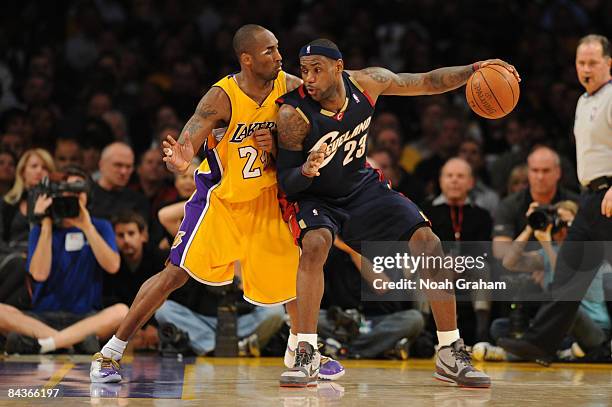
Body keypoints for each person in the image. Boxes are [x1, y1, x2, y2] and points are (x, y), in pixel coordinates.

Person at [90, 25, 344, 384]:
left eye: (277, 49)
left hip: (269, 199)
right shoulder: (222, 96)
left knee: (294, 278)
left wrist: (276, 141)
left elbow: (313, 131)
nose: (279, 56)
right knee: (173, 275)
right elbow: (193, 130)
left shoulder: (290, 86)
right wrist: (182, 155)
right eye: (269, 51)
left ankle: (303, 349)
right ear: (247, 58)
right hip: (222, 201)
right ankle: (111, 352)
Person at [276, 38, 519, 388]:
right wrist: (307, 170)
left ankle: (450, 351)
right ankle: (307, 351)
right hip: (315, 195)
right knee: (315, 244)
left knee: (428, 242)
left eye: (317, 70)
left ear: (338, 68)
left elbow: (427, 81)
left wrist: (474, 70)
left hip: (360, 187)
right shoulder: (292, 114)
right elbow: (287, 183)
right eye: (304, 71)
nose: (309, 78)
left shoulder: (368, 82)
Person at [499, 34, 612, 364]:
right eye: (581, 62)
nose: (586, 68)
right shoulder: (584, 101)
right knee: (567, 273)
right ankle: (540, 343)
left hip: (609, 195)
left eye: (593, 62)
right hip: (590, 198)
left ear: (609, 64)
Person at [1, 167, 127, 354]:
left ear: (87, 197)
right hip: (43, 316)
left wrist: (87, 227)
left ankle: (46, 344)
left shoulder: (100, 226)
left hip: (86, 317)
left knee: (121, 312)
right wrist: (45, 225)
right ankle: (72, 342)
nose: (73, 196)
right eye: (67, 191)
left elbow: (113, 266)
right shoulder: (42, 228)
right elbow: (39, 274)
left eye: (78, 191)